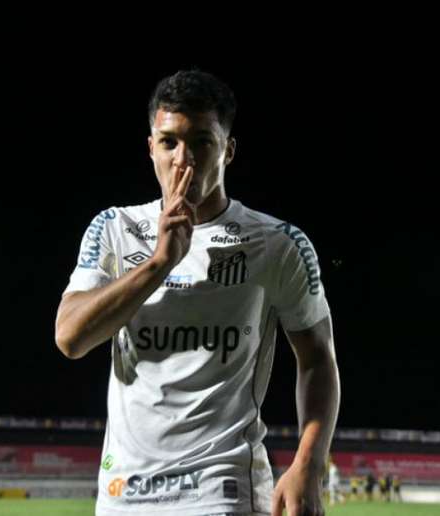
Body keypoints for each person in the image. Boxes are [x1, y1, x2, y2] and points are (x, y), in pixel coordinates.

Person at [55, 69, 341, 516]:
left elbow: (318, 357)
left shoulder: (277, 243)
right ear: (151, 147)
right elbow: (71, 337)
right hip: (124, 496)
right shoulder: (115, 230)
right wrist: (159, 263)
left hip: (222, 490)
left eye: (202, 142)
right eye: (169, 142)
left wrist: (309, 463)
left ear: (227, 150)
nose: (183, 159)